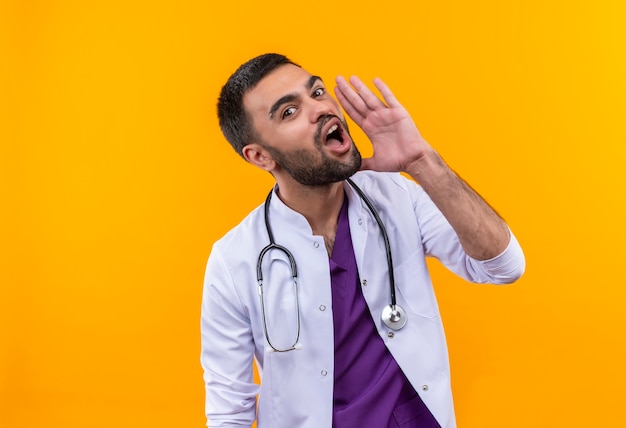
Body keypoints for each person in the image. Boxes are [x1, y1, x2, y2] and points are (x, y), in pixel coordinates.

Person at [200, 53, 525, 428]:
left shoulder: (397, 195)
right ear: (259, 156)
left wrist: (422, 161)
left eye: (317, 92)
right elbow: (229, 411)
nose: (320, 110)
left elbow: (504, 267)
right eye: (289, 112)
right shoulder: (234, 259)